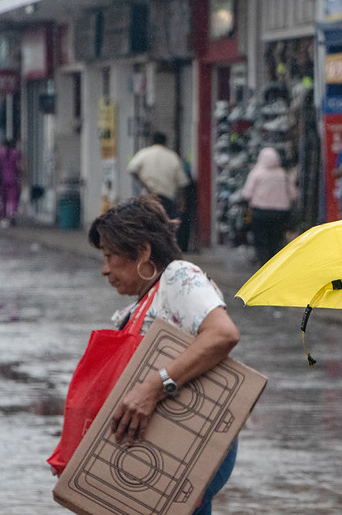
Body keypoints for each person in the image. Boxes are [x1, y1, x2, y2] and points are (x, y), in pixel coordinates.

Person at [88, 195, 241, 514]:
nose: (104, 270)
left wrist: (153, 387)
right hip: (163, 449)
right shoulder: (142, 303)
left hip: (186, 445)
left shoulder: (179, 276)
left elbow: (222, 334)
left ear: (142, 252)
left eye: (110, 255)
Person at [241, 146, 298, 267]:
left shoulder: (256, 173)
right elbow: (293, 195)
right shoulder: (283, 174)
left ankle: (263, 264)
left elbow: (246, 194)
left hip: (259, 213)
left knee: (261, 241)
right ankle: (273, 266)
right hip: (280, 214)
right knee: (275, 241)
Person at [127, 131, 191, 219]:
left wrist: (141, 182)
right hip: (166, 198)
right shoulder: (172, 156)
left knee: (148, 222)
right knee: (163, 223)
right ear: (165, 142)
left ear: (152, 141)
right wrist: (182, 201)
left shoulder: (144, 153)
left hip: (148, 195)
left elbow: (131, 169)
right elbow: (183, 181)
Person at [0, 138, 22, 226]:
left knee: (4, 199)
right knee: (13, 199)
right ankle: (12, 214)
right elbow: (18, 166)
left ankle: (4, 217)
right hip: (13, 179)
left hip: (2, 179)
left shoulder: (0, 153)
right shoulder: (15, 153)